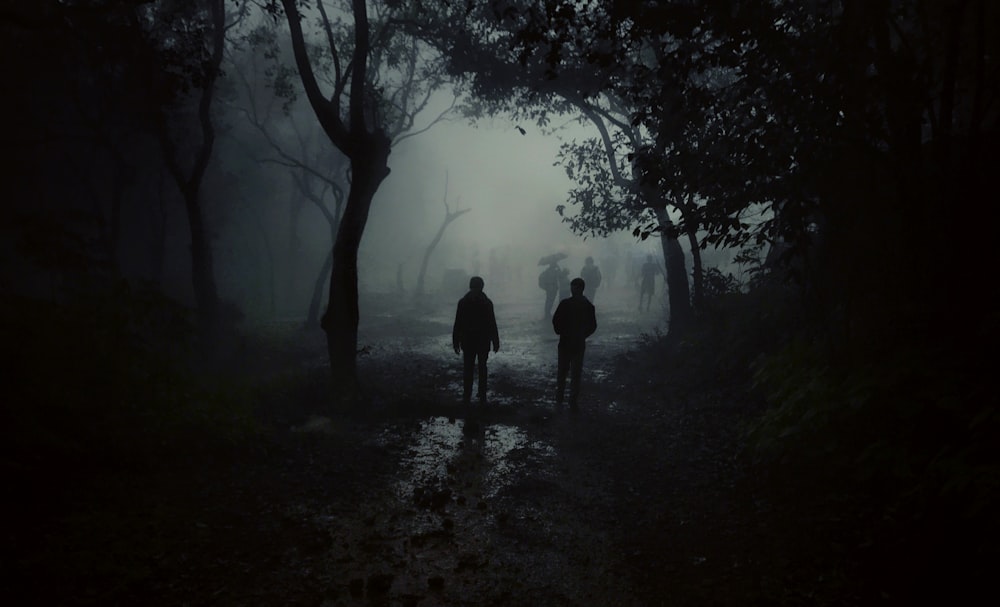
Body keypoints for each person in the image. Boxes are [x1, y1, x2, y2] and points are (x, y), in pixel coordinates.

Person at [452, 276, 500, 405]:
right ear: (482, 287)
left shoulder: (463, 302)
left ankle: (467, 393)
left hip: (467, 341)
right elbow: (492, 323)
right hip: (483, 341)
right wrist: (495, 341)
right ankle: (482, 392)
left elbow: (458, 323)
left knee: (468, 367)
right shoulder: (487, 303)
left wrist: (455, 341)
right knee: (482, 367)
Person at [552, 277, 597, 411]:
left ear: (577, 288)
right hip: (578, 344)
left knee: (562, 373)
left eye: (573, 287)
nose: (572, 290)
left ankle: (560, 398)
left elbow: (556, 321)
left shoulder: (565, 304)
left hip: (565, 342)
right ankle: (572, 401)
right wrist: (583, 335)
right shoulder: (588, 305)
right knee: (575, 374)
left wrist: (560, 331)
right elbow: (593, 326)